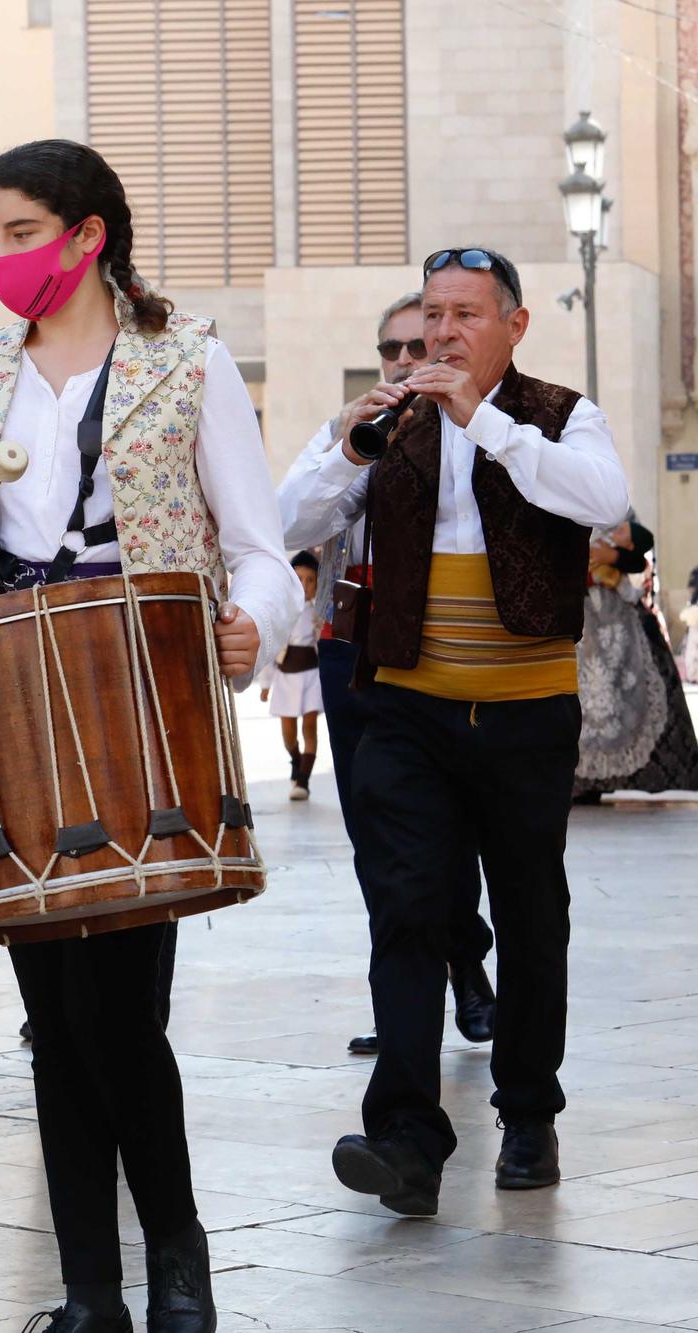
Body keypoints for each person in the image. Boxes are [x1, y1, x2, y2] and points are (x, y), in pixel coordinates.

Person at [0, 140, 300, 1333]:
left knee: (116, 1012)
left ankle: (176, 1259)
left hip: (138, 698)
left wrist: (252, 625)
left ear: (86, 236)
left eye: (20, 232)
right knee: (46, 1013)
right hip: (9, 699)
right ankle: (87, 1290)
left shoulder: (187, 361)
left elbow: (261, 548)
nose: (0, 256)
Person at [284, 245, 628, 1216]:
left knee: (528, 912)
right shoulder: (384, 426)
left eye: (462, 316)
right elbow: (283, 520)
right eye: (430, 316)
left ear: (512, 326)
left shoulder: (562, 416)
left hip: (524, 712)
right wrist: (346, 447)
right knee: (405, 908)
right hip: (405, 706)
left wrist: (482, 422)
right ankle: (403, 1136)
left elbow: (602, 504)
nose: (438, 335)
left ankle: (525, 1111)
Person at [279, 292, 497, 1057]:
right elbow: (285, 524)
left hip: (435, 647)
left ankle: (465, 958)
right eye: (391, 351)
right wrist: (347, 448)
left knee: (446, 825)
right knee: (374, 831)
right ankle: (402, 998)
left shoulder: (474, 426)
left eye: (418, 348)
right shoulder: (346, 428)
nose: (404, 362)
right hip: (349, 643)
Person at [574, 514, 698, 797]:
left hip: (616, 618)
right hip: (577, 617)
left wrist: (614, 556)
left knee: (625, 692)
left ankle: (613, 778)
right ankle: (580, 782)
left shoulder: (618, 510)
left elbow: (639, 558)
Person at [260, 552, 324, 801]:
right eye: (299, 578)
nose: (305, 585)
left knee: (310, 727)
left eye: (311, 580)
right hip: (286, 676)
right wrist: (266, 684)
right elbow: (272, 648)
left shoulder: (319, 612)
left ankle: (304, 781)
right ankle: (296, 760)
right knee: (288, 734)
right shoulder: (283, 612)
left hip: (312, 675)